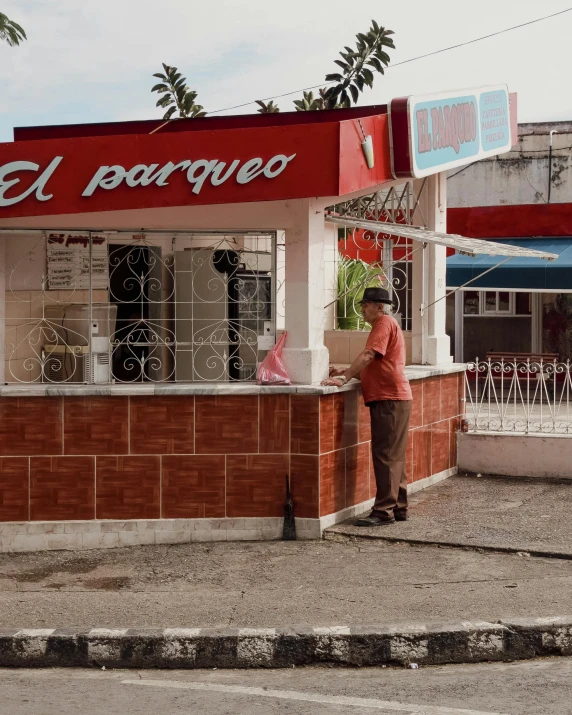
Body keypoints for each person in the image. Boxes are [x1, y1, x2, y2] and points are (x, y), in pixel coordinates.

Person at [321, 287, 412, 526]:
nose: (362, 309)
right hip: (395, 397)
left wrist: (345, 377)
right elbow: (378, 366)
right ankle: (399, 508)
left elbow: (369, 354)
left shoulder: (383, 323)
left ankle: (383, 512)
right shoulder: (389, 323)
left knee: (385, 456)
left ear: (379, 306)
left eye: (366, 304)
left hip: (389, 399)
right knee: (394, 456)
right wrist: (348, 371)